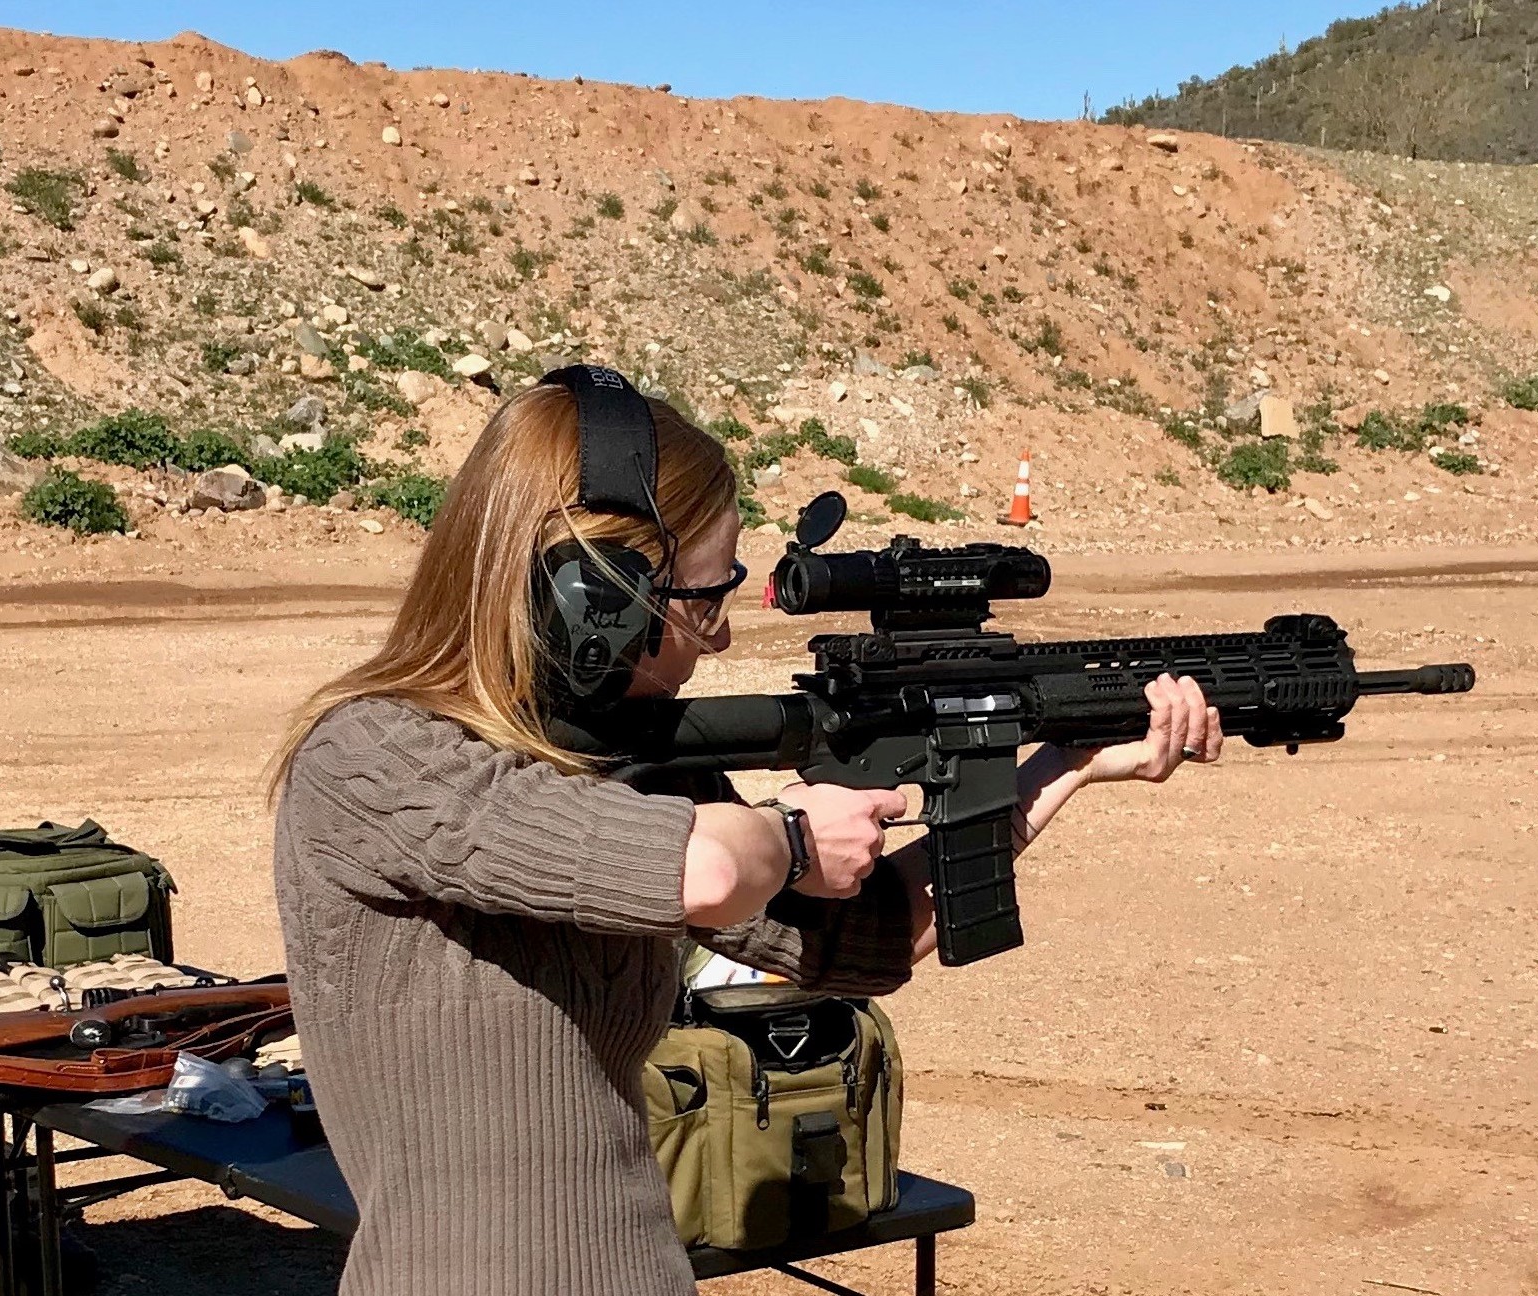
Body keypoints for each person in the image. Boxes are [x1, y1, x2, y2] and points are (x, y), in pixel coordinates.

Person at [266, 368, 1222, 1296]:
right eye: (702, 598)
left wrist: (1061, 767)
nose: (717, 638)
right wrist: (796, 837)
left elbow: (867, 941)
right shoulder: (375, 758)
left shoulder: (626, 763)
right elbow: (706, 872)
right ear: (590, 597)